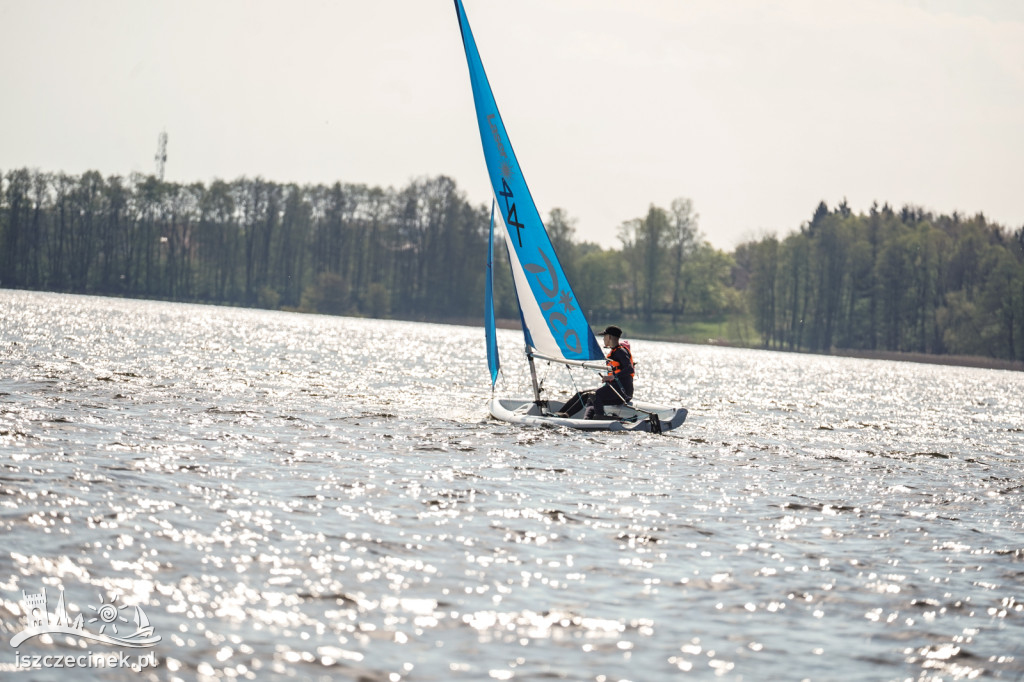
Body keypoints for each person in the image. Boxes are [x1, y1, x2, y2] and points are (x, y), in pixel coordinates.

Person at [558, 325, 634, 419]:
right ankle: (561, 414)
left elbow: (630, 369)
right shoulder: (614, 352)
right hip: (615, 389)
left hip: (623, 391)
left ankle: (599, 416)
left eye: (604, 336)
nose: (603, 339)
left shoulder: (621, 351)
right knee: (582, 394)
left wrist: (612, 377)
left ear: (609, 337)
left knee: (594, 395)